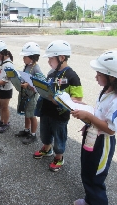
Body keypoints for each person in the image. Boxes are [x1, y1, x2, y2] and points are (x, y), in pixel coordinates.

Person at [71, 51, 117, 205]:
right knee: (87, 171)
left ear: (112, 76)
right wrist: (83, 107)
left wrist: (88, 116)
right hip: (91, 137)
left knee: (96, 176)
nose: (96, 76)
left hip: (102, 143)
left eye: (99, 73)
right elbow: (99, 114)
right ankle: (90, 199)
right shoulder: (106, 91)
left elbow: (111, 128)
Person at [33, 40, 83, 172]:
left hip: (60, 114)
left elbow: (77, 98)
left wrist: (60, 100)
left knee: (59, 135)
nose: (49, 62)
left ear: (61, 58)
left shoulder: (72, 76)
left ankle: (59, 157)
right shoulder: (51, 73)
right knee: (45, 132)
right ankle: (46, 149)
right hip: (46, 110)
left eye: (51, 59)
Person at [15, 42, 43, 145]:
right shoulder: (27, 65)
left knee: (32, 115)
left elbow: (40, 83)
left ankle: (33, 134)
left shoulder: (36, 68)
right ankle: (26, 130)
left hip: (32, 96)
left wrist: (28, 84)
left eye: (25, 56)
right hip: (25, 94)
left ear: (32, 57)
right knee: (26, 113)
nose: (23, 58)